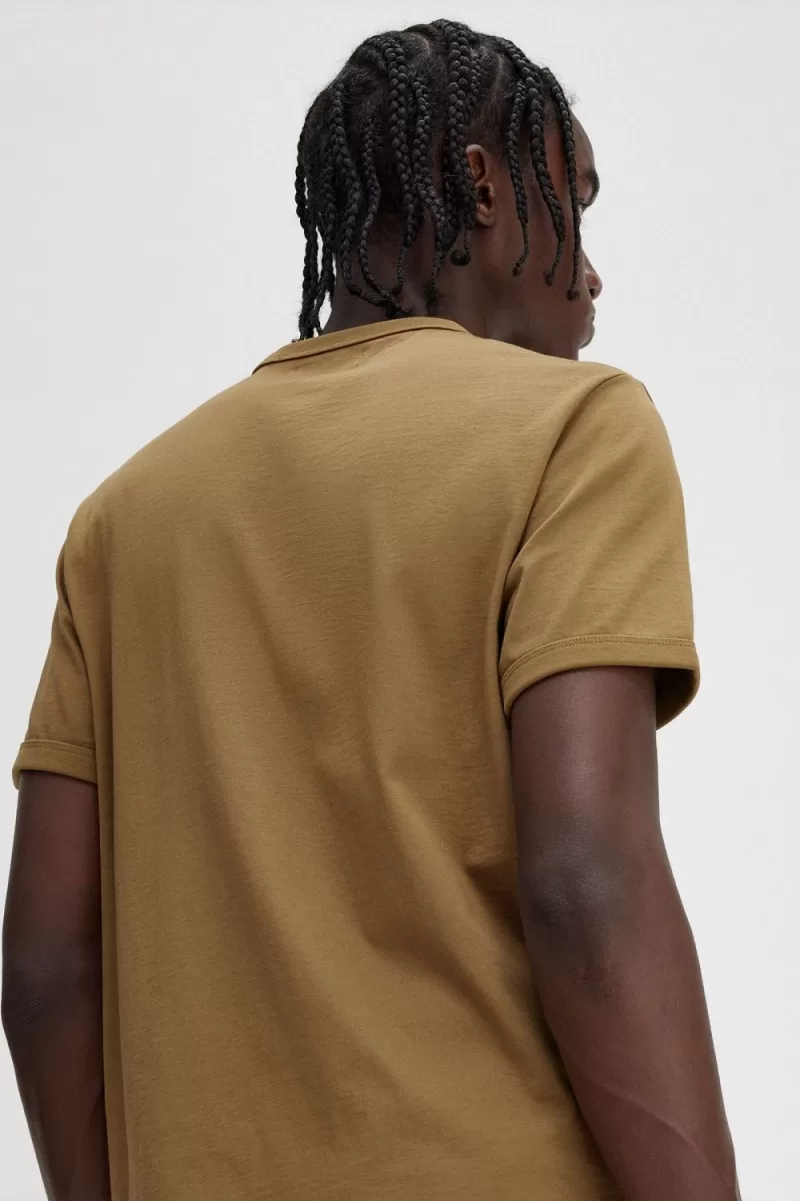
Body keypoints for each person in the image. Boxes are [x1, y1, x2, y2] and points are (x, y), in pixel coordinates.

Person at [2, 18, 739, 1201]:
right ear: (483, 186)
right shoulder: (574, 431)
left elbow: (44, 966)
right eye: (574, 204)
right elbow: (586, 884)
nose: (593, 276)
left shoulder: (124, 519)